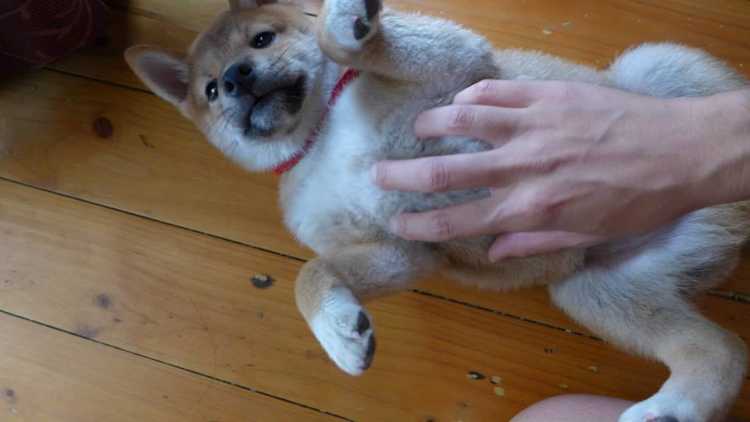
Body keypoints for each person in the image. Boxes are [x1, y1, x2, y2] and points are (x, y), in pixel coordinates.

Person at [372, 80, 750, 421]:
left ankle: (699, 377)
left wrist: (688, 148)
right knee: (578, 289)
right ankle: (700, 373)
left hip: (654, 132)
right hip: (615, 256)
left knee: (653, 69)